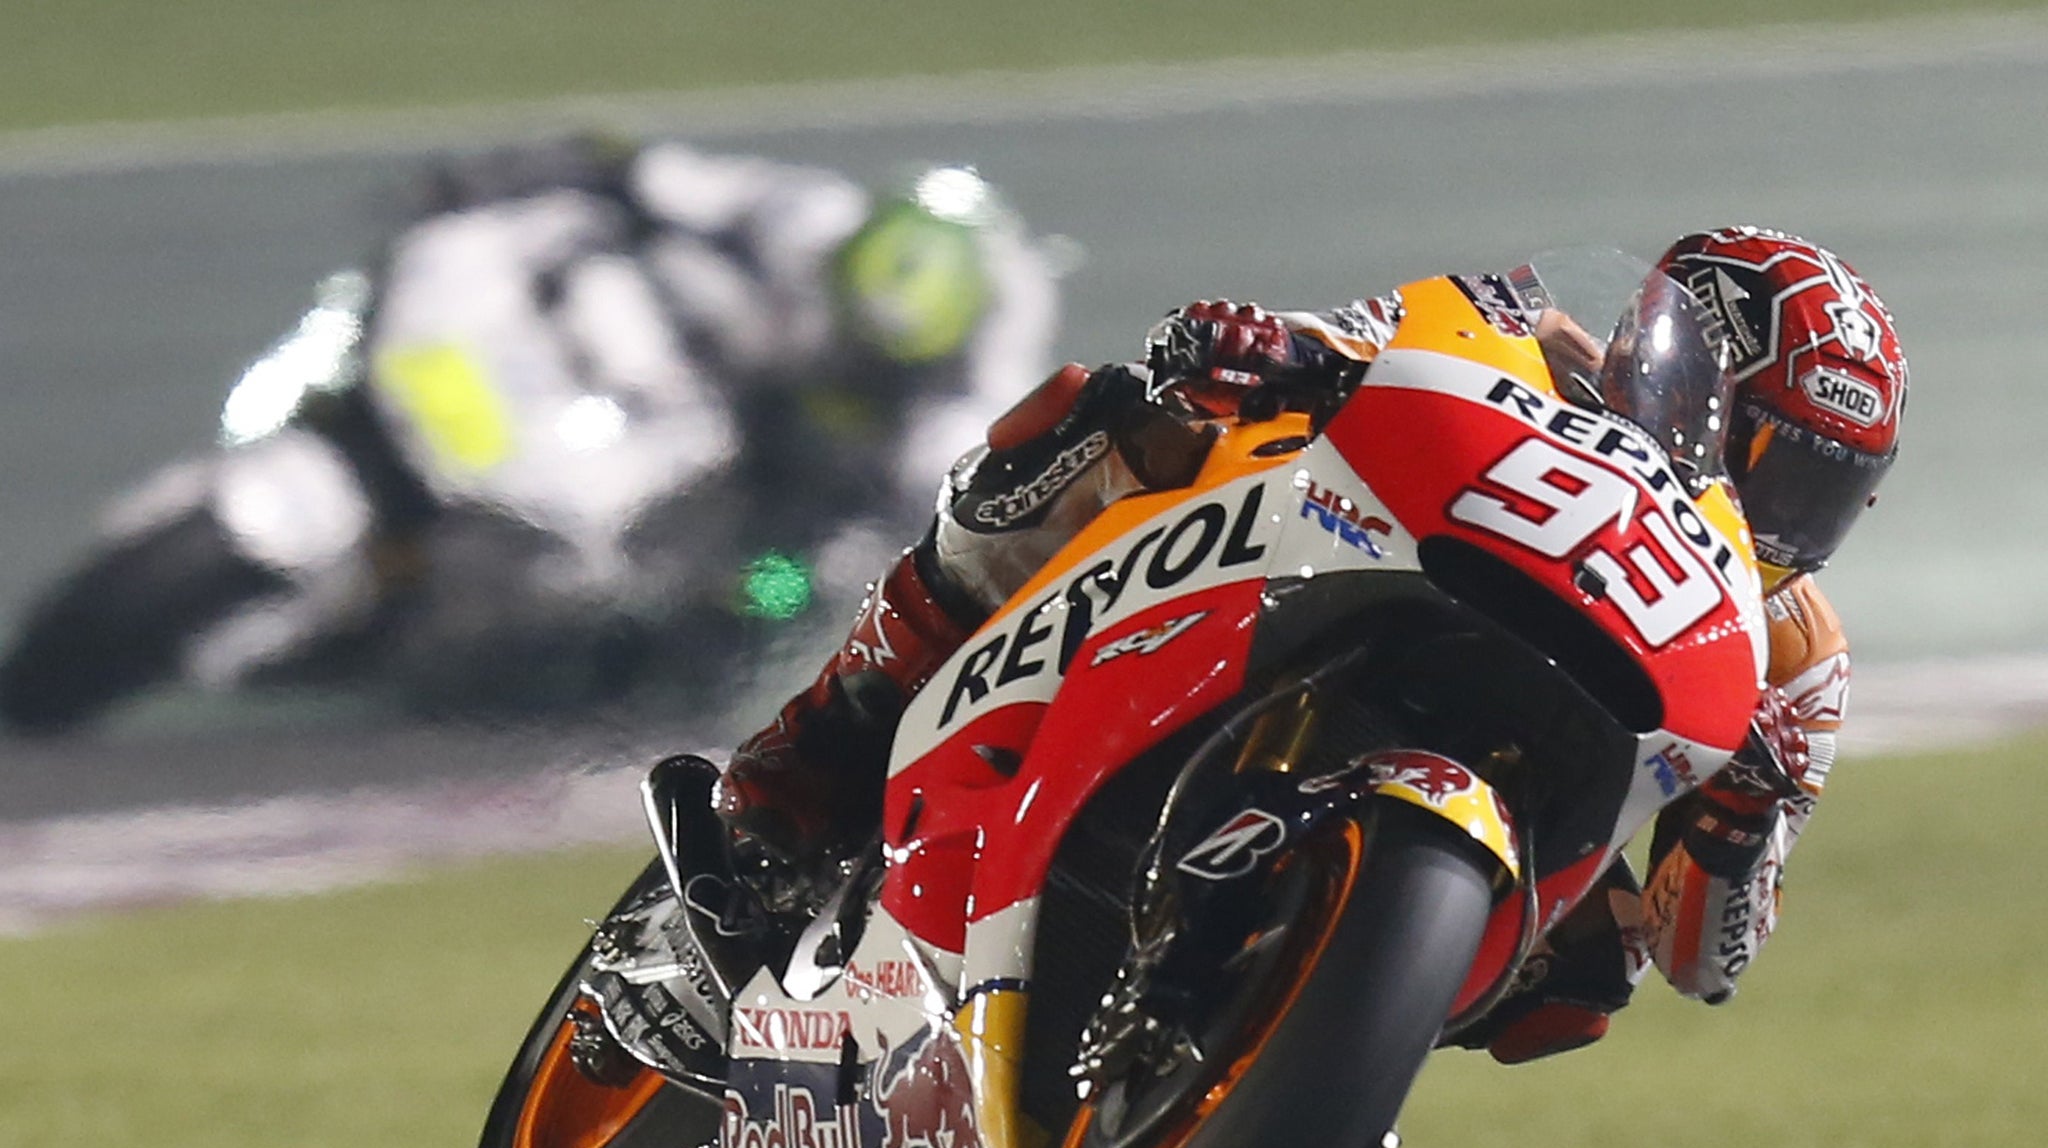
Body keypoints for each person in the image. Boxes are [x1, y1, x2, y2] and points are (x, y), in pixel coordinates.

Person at [713, 226, 1908, 1064]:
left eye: (1819, 491)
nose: (1781, 520)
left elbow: (1706, 959)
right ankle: (826, 733)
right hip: (1336, 570)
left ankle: (1301, 1031)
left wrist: (1744, 818)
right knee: (1107, 415)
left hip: (1538, 782)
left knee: (1591, 980)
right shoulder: (1517, 333)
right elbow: (1335, 338)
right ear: (1689, 370)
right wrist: (1266, 350)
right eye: (1769, 459)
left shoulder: (1794, 656)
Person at [0, 137, 1063, 730]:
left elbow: (902, 531)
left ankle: (569, 664)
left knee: (729, 606)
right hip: (599, 362)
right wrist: (490, 180)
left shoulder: (963, 399)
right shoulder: (795, 218)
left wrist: (767, 583)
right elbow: (629, 169)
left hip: (738, 480)